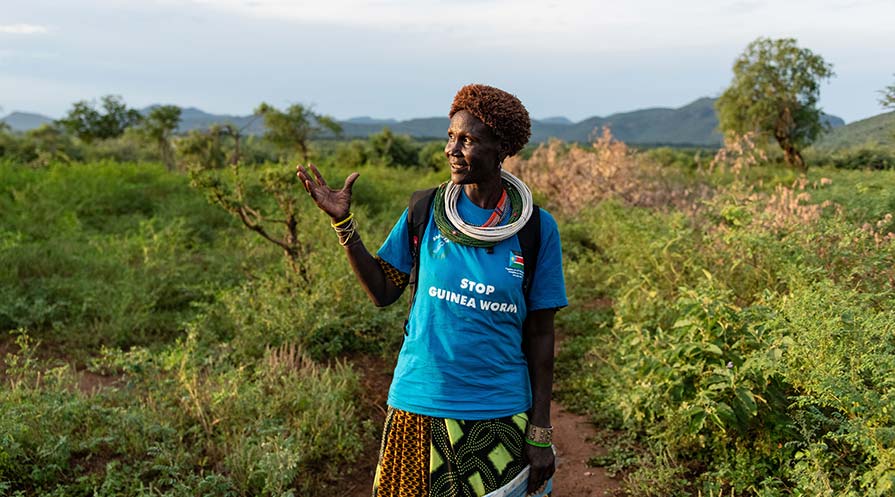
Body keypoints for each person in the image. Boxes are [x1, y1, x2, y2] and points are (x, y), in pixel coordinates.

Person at [297, 84, 567, 497]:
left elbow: (542, 333)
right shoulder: (425, 210)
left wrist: (541, 430)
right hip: (419, 402)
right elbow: (384, 290)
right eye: (450, 137)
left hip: (499, 407)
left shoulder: (535, 229)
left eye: (469, 140)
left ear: (501, 149)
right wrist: (343, 225)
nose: (452, 150)